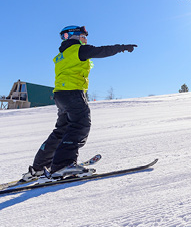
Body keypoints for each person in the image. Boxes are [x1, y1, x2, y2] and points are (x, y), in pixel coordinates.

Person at [21, 25, 137, 181]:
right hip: (73, 94)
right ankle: (63, 165)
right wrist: (122, 47)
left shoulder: (62, 54)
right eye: (84, 36)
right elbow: (102, 51)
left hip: (60, 95)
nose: (86, 39)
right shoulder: (78, 50)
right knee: (80, 125)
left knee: (61, 131)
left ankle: (39, 167)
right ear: (76, 36)